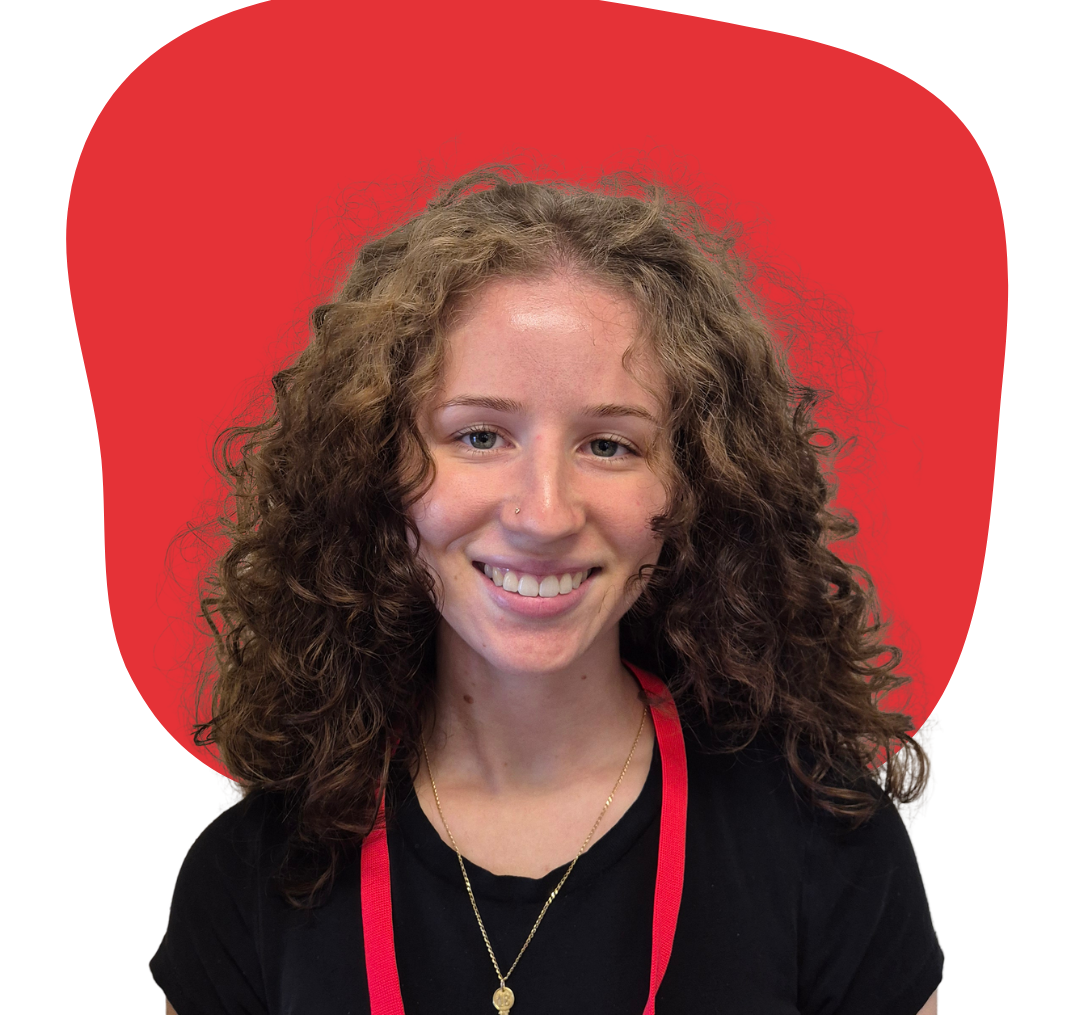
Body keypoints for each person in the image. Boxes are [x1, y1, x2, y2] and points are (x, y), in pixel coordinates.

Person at [151, 169, 942, 1014]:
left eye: (611, 446)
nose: (546, 512)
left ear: (699, 485)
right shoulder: (251, 876)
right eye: (480, 435)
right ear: (376, 471)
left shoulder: (826, 846)